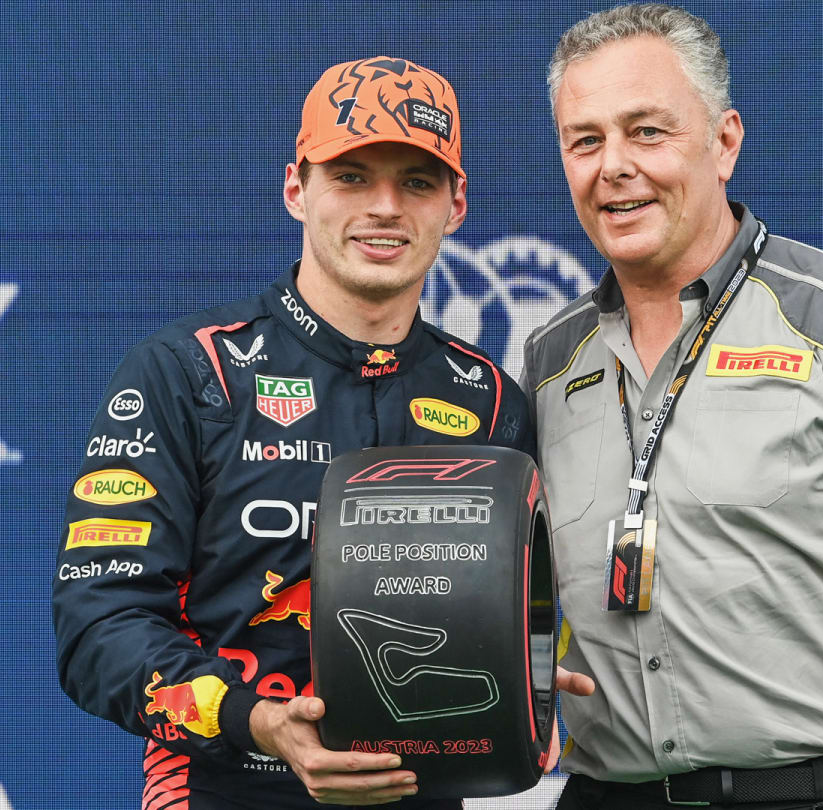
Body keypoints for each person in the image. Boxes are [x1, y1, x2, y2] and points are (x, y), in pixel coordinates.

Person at [522, 5, 823, 809]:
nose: (614, 166)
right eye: (586, 140)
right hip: (605, 792)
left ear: (725, 141)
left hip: (807, 794)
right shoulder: (547, 358)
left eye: (647, 132)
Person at [53, 55, 536, 809]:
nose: (384, 206)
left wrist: (540, 673)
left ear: (457, 203)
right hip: (224, 786)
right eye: (350, 176)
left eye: (416, 180)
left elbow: (525, 615)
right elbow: (98, 625)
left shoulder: (491, 401)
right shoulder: (189, 372)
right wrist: (255, 720)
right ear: (295, 189)